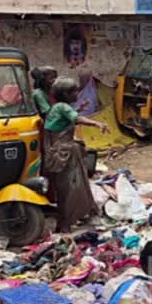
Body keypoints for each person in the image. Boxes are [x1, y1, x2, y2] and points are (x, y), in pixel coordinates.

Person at [43, 78, 109, 232]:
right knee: (71, 188)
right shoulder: (63, 107)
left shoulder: (58, 107)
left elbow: (68, 118)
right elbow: (76, 119)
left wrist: (79, 109)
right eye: (74, 91)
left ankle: (67, 221)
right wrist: (97, 124)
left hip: (58, 153)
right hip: (65, 153)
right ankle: (67, 223)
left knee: (68, 188)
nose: (77, 93)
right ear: (65, 94)